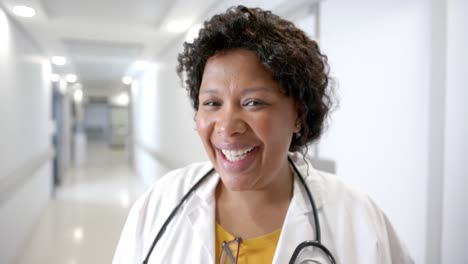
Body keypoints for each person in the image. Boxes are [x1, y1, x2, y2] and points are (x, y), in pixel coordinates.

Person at [113, 5, 414, 264]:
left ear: (298, 114)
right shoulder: (160, 203)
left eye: (253, 102)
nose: (227, 126)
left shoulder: (357, 218)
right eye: (212, 103)